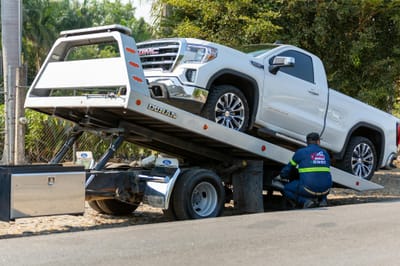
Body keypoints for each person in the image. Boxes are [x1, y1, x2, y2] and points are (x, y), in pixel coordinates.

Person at [280, 132, 332, 208]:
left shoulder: (300, 152)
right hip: (326, 190)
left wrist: (283, 175)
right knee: (321, 178)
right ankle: (322, 200)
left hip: (308, 190)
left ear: (307, 142)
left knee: (287, 189)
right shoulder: (325, 153)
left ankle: (306, 201)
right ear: (318, 142)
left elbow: (288, 169)